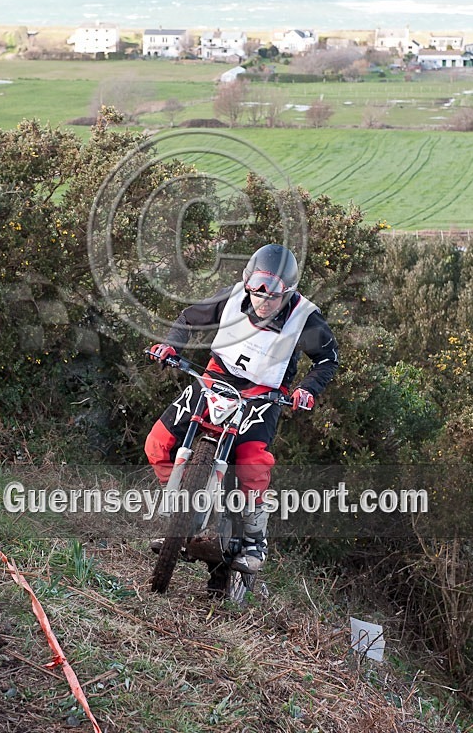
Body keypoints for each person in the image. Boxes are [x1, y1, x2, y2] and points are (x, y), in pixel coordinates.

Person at [145, 243, 338, 574]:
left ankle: (253, 542)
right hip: (214, 378)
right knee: (157, 443)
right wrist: (170, 345)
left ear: (289, 292)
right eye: (257, 291)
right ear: (248, 282)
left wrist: (306, 389)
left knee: (251, 463)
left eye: (273, 295)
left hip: (264, 394)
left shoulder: (305, 317)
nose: (264, 301)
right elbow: (189, 317)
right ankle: (181, 516)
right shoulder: (232, 297)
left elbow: (327, 359)